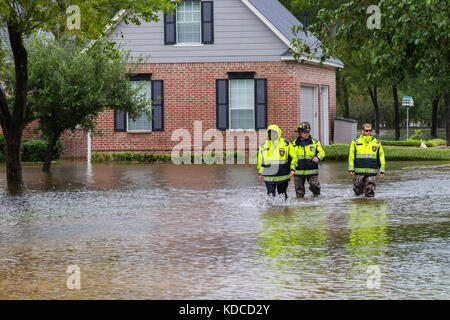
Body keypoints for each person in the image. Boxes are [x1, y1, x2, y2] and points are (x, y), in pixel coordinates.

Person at [257, 125, 297, 199]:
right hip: (268, 175)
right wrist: (260, 173)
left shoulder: (286, 144)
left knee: (282, 195)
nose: (272, 135)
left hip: (282, 175)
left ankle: (285, 210)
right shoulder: (263, 146)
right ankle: (272, 210)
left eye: (274, 133)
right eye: (270, 133)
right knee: (270, 195)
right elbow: (260, 161)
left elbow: (293, 158)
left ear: (278, 133)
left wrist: (292, 169)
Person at [348, 123, 386, 197]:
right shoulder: (355, 142)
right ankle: (359, 206)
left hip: (372, 172)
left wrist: (382, 170)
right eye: (366, 130)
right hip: (359, 171)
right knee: (357, 192)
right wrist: (351, 169)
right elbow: (351, 156)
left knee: (370, 192)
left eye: (370, 130)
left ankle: (370, 207)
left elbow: (381, 156)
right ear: (362, 131)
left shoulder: (377, 143)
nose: (368, 132)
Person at [290, 122, 325, 198]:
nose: (306, 134)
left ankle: (315, 201)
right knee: (299, 193)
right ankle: (301, 206)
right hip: (298, 172)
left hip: (312, 171)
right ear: (300, 133)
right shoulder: (293, 144)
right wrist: (291, 169)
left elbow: (322, 153)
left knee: (315, 187)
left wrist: (318, 157)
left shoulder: (315, 143)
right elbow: (291, 158)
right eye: (304, 132)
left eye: (308, 132)